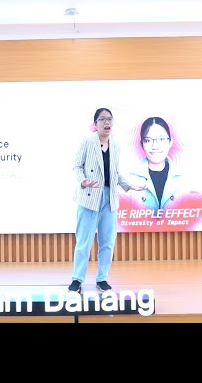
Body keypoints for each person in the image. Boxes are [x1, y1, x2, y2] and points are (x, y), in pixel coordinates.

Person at [68, 108, 146, 294]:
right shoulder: (87, 142)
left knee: (107, 242)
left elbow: (115, 173)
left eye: (109, 119)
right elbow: (77, 166)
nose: (106, 122)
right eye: (102, 119)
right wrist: (83, 181)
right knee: (84, 242)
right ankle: (77, 279)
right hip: (89, 198)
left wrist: (129, 185)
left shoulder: (116, 145)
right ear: (95, 124)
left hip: (109, 199)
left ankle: (102, 278)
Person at [127, 116, 194, 210]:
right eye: (148, 140)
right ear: (142, 144)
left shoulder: (183, 178)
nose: (155, 146)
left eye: (161, 139)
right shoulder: (129, 178)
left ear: (170, 142)